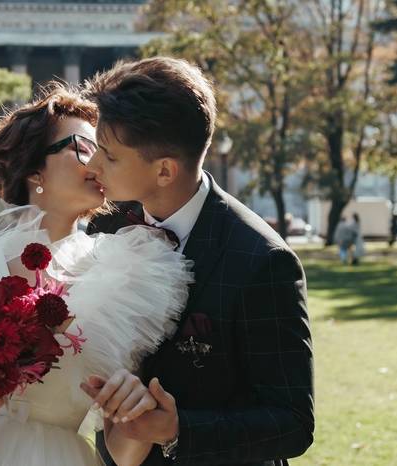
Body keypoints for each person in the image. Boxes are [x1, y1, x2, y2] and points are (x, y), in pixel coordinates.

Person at [0, 84, 194, 466]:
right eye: (83, 147)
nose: (96, 165)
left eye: (105, 153)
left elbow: (123, 455)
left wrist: (133, 414)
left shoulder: (123, 280)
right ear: (33, 168)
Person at [81, 57, 313, 465]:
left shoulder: (262, 261)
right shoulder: (106, 228)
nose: (92, 165)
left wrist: (176, 430)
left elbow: (292, 422)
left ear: (165, 171)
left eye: (109, 155)